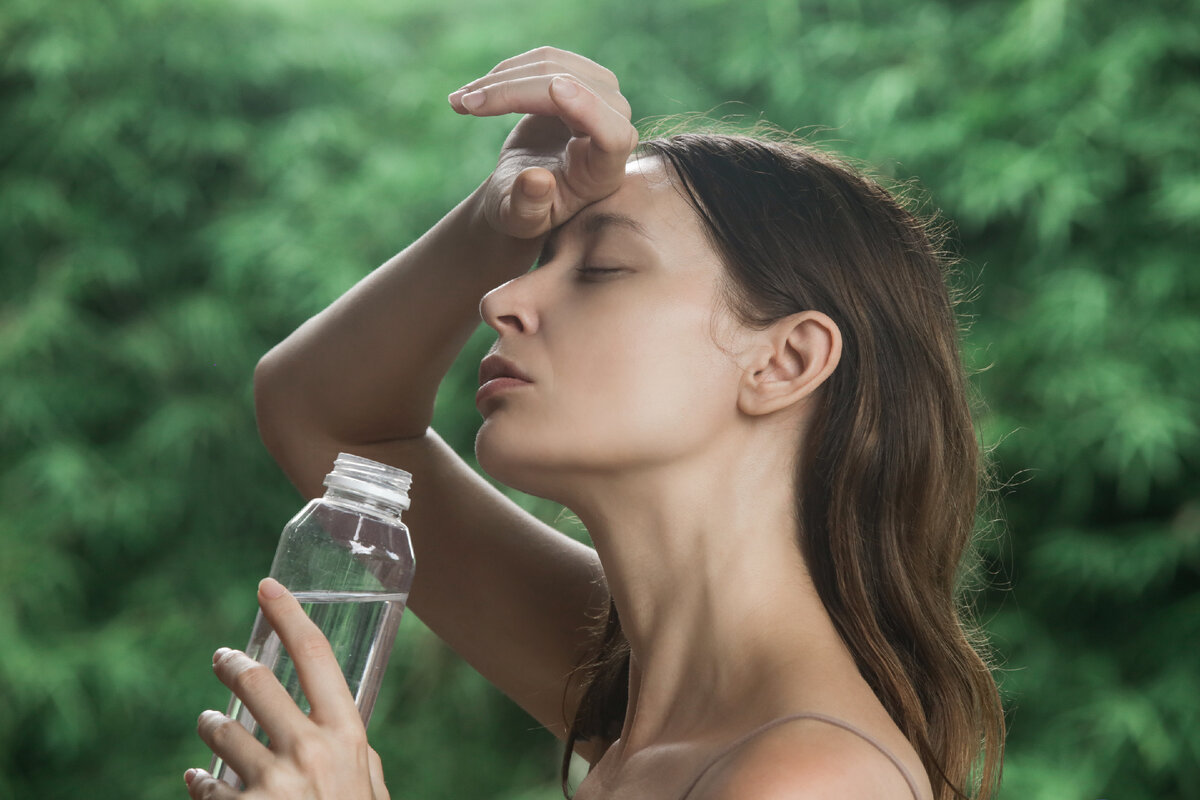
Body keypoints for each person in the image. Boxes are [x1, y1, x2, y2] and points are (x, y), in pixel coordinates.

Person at [184, 47, 1004, 800]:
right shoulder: (641, 682)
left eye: (603, 269)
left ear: (784, 362)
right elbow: (322, 415)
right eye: (543, 258)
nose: (501, 298)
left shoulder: (810, 778)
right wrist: (495, 223)